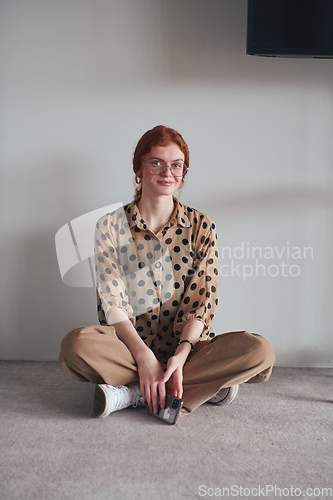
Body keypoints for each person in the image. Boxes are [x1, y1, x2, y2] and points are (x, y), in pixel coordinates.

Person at [59, 125, 275, 418]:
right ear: (139, 167)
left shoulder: (202, 226)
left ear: (184, 172)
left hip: (189, 351)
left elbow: (203, 302)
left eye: (176, 165)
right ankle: (199, 387)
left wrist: (182, 354)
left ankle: (133, 393)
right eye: (156, 162)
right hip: (128, 348)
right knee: (76, 346)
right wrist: (143, 355)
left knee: (259, 352)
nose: (167, 172)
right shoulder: (110, 226)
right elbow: (112, 302)